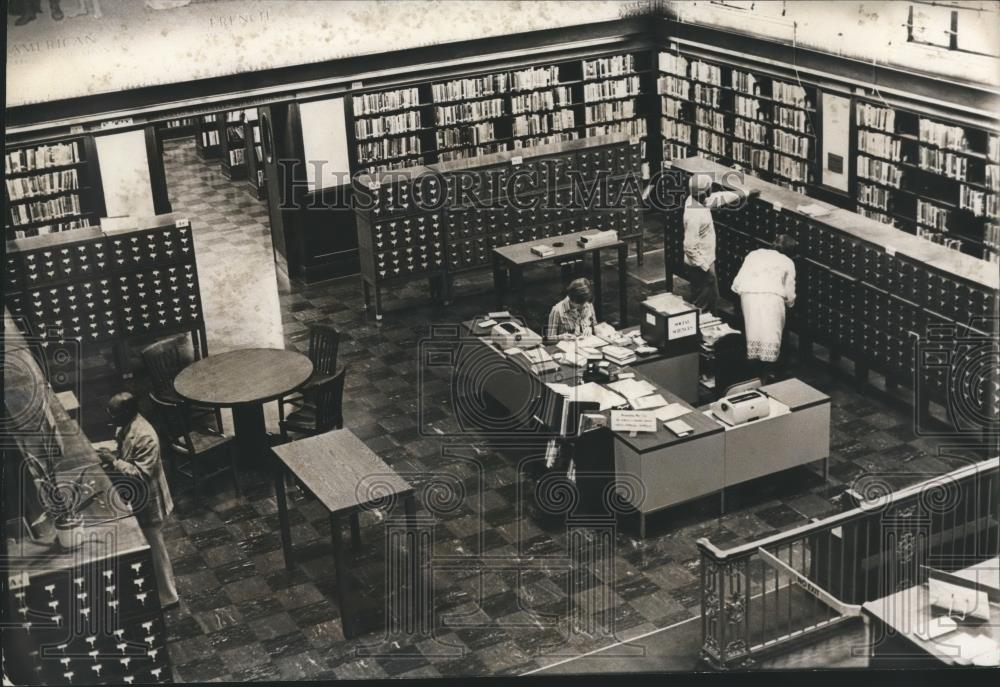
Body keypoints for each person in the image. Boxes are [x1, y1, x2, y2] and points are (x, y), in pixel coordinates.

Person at [97, 392, 179, 609]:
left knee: (155, 547)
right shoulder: (124, 425)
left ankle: (168, 597)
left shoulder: (145, 436)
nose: (109, 416)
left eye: (113, 412)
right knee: (149, 546)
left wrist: (114, 462)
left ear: (127, 412)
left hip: (149, 499)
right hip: (137, 497)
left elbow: (141, 475)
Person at [683, 173, 759, 314]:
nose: (711, 190)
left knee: (711, 298)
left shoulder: (696, 199)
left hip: (703, 262)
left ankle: (708, 327)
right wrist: (706, 268)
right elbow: (689, 246)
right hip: (701, 264)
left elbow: (718, 198)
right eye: (709, 187)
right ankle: (700, 332)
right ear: (704, 191)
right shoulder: (694, 215)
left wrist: (745, 193)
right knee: (702, 303)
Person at [731, 234, 798, 382]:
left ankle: (752, 374)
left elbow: (737, 282)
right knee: (771, 335)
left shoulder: (754, 254)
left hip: (748, 295)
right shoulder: (788, 262)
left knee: (753, 331)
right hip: (772, 298)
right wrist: (790, 304)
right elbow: (789, 293)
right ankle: (768, 374)